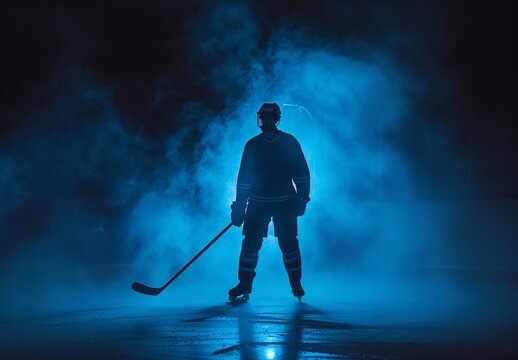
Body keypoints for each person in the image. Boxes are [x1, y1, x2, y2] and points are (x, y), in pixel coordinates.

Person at [229, 102, 310, 302]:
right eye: (262, 117)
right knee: (250, 244)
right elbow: (244, 179)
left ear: (275, 119)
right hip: (258, 202)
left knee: (289, 244)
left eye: (268, 117)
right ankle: (244, 282)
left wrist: (302, 197)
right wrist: (239, 206)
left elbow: (301, 173)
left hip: (285, 202)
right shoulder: (252, 145)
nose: (265, 120)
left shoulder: (289, 142)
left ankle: (295, 282)